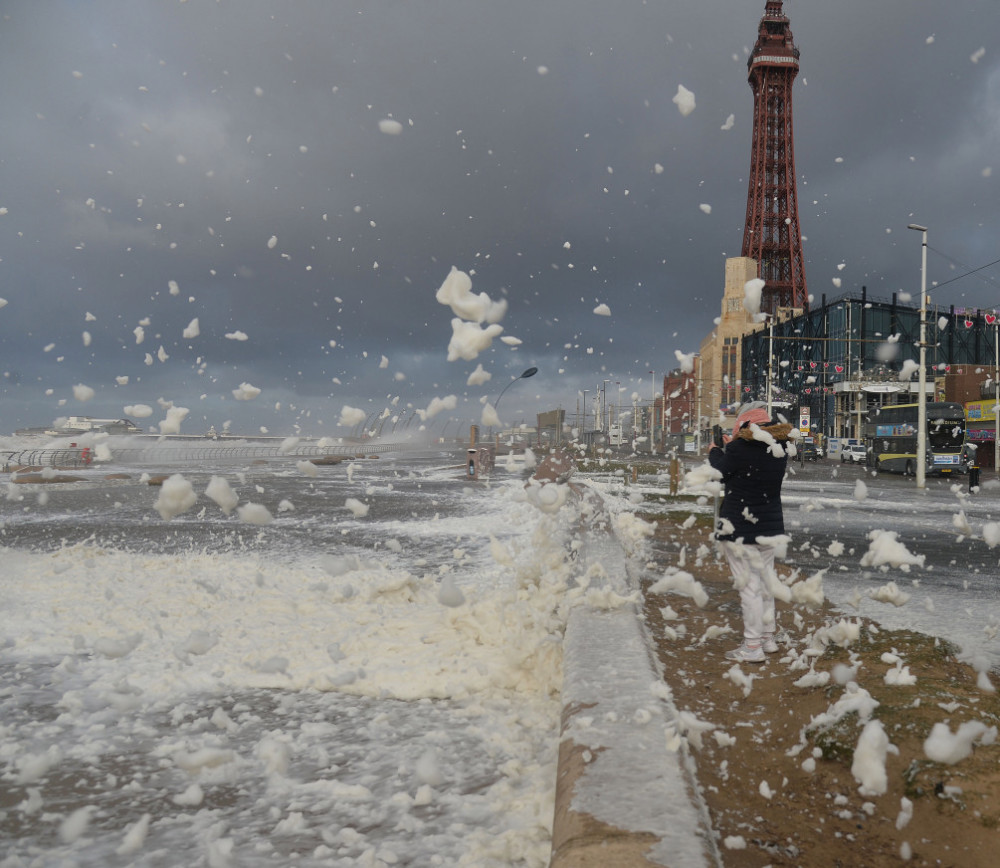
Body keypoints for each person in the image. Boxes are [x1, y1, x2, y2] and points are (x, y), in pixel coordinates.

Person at [708, 402, 793, 663]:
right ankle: (767, 639)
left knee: (749, 587)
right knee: (765, 582)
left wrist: (715, 452)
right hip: (770, 527)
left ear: (744, 424)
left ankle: (752, 646)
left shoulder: (737, 449)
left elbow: (719, 474)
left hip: (740, 528)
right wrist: (730, 448)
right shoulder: (778, 448)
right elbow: (747, 469)